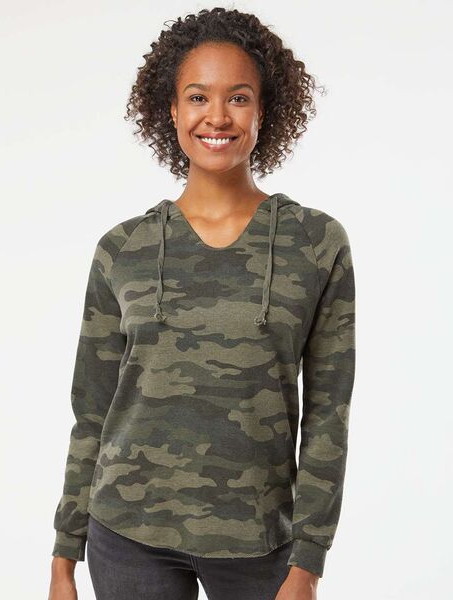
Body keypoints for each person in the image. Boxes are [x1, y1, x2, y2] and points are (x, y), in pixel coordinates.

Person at [48, 7, 356, 600]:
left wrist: (309, 562)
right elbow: (91, 411)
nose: (217, 116)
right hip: (127, 535)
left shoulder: (315, 243)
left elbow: (328, 415)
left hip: (262, 543)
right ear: (171, 110)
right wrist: (65, 553)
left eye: (238, 97)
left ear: (264, 109)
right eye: (197, 97)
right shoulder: (123, 248)